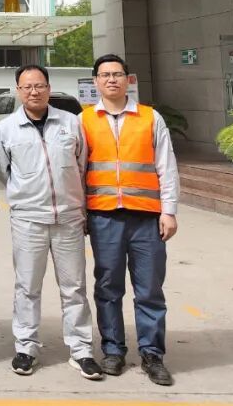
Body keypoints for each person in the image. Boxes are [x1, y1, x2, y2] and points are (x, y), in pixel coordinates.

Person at [0, 65, 103, 380]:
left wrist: (77, 205)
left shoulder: (71, 123)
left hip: (68, 218)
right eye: (27, 86)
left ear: (49, 88)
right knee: (27, 287)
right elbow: (3, 170)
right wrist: (26, 195)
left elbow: (81, 165)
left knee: (75, 287)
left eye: (39, 85)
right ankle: (26, 348)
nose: (34, 91)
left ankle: (81, 350)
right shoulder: (5, 128)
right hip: (28, 220)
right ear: (18, 91)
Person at [81, 54, 180, 386]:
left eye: (117, 74)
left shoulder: (150, 118)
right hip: (103, 216)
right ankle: (113, 350)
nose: (111, 79)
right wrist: (81, 213)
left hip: (146, 217)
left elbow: (167, 166)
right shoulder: (84, 120)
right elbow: (77, 170)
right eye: (105, 75)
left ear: (128, 80)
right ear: (96, 81)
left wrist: (169, 211)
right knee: (108, 287)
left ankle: (152, 354)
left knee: (149, 289)